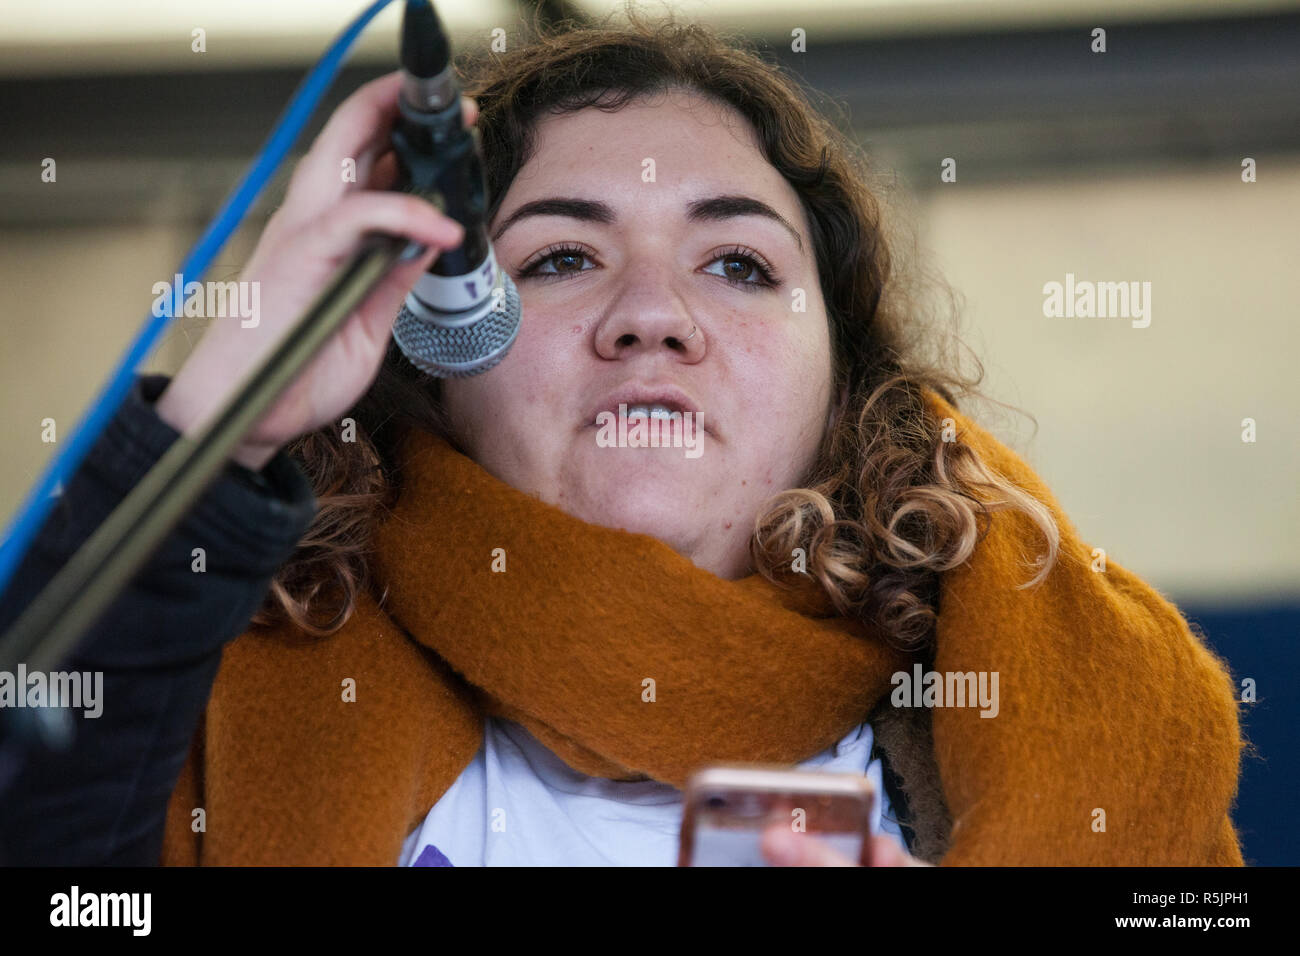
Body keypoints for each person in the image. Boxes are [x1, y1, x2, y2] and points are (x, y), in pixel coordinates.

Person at [0, 9, 1245, 867]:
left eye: (739, 262)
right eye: (559, 256)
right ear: (429, 357)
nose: (652, 314)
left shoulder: (1064, 714)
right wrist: (229, 419)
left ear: (842, 382)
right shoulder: (210, 683)